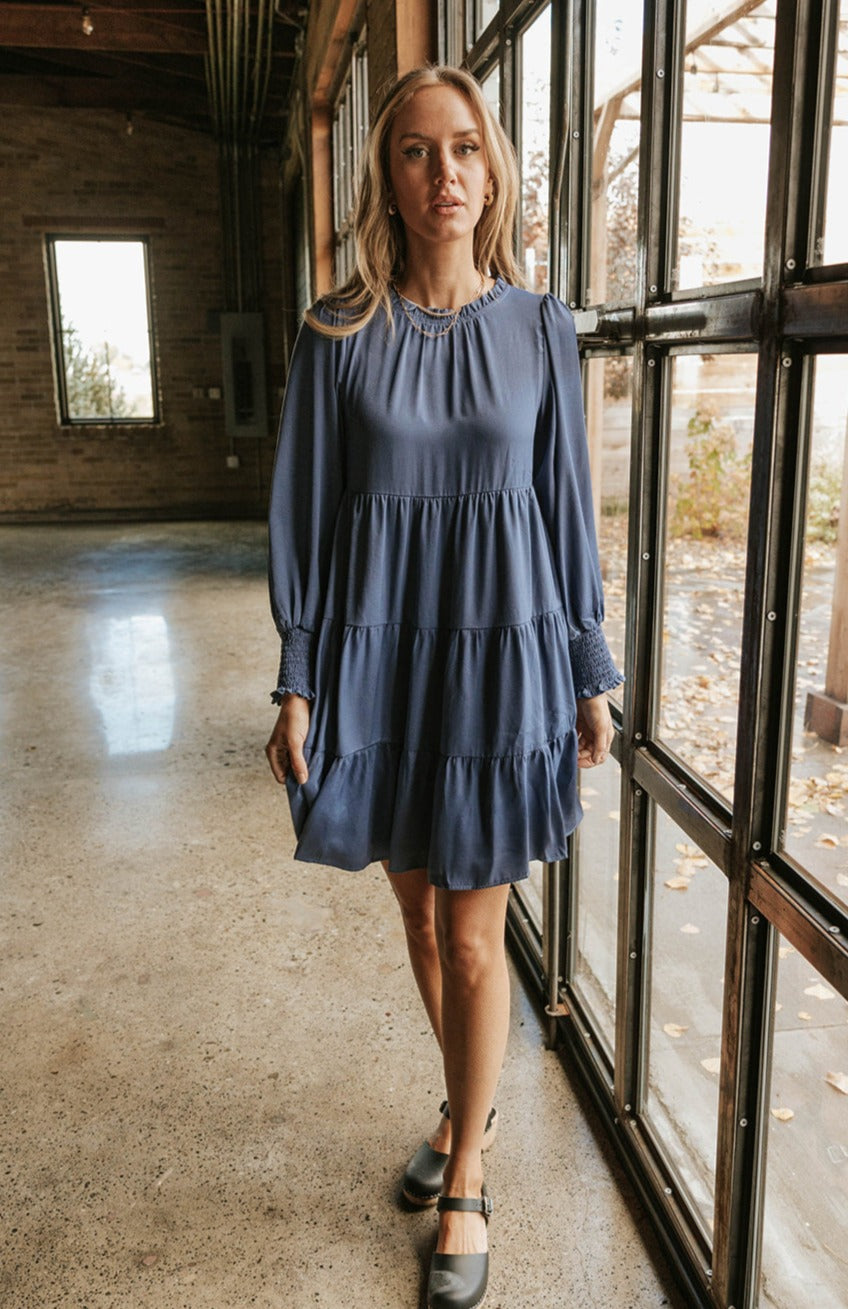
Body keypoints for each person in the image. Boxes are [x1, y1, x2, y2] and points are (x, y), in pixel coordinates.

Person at [265, 63, 622, 1309]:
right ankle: (467, 1105)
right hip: (378, 657)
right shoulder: (335, 332)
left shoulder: (539, 329)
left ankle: (466, 1172)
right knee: (419, 923)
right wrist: (298, 680)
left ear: (493, 167)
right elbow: (307, 517)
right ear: (387, 175)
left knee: (474, 938)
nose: (444, 174)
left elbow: (564, 510)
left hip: (499, 657)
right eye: (416, 151)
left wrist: (586, 665)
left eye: (464, 147)